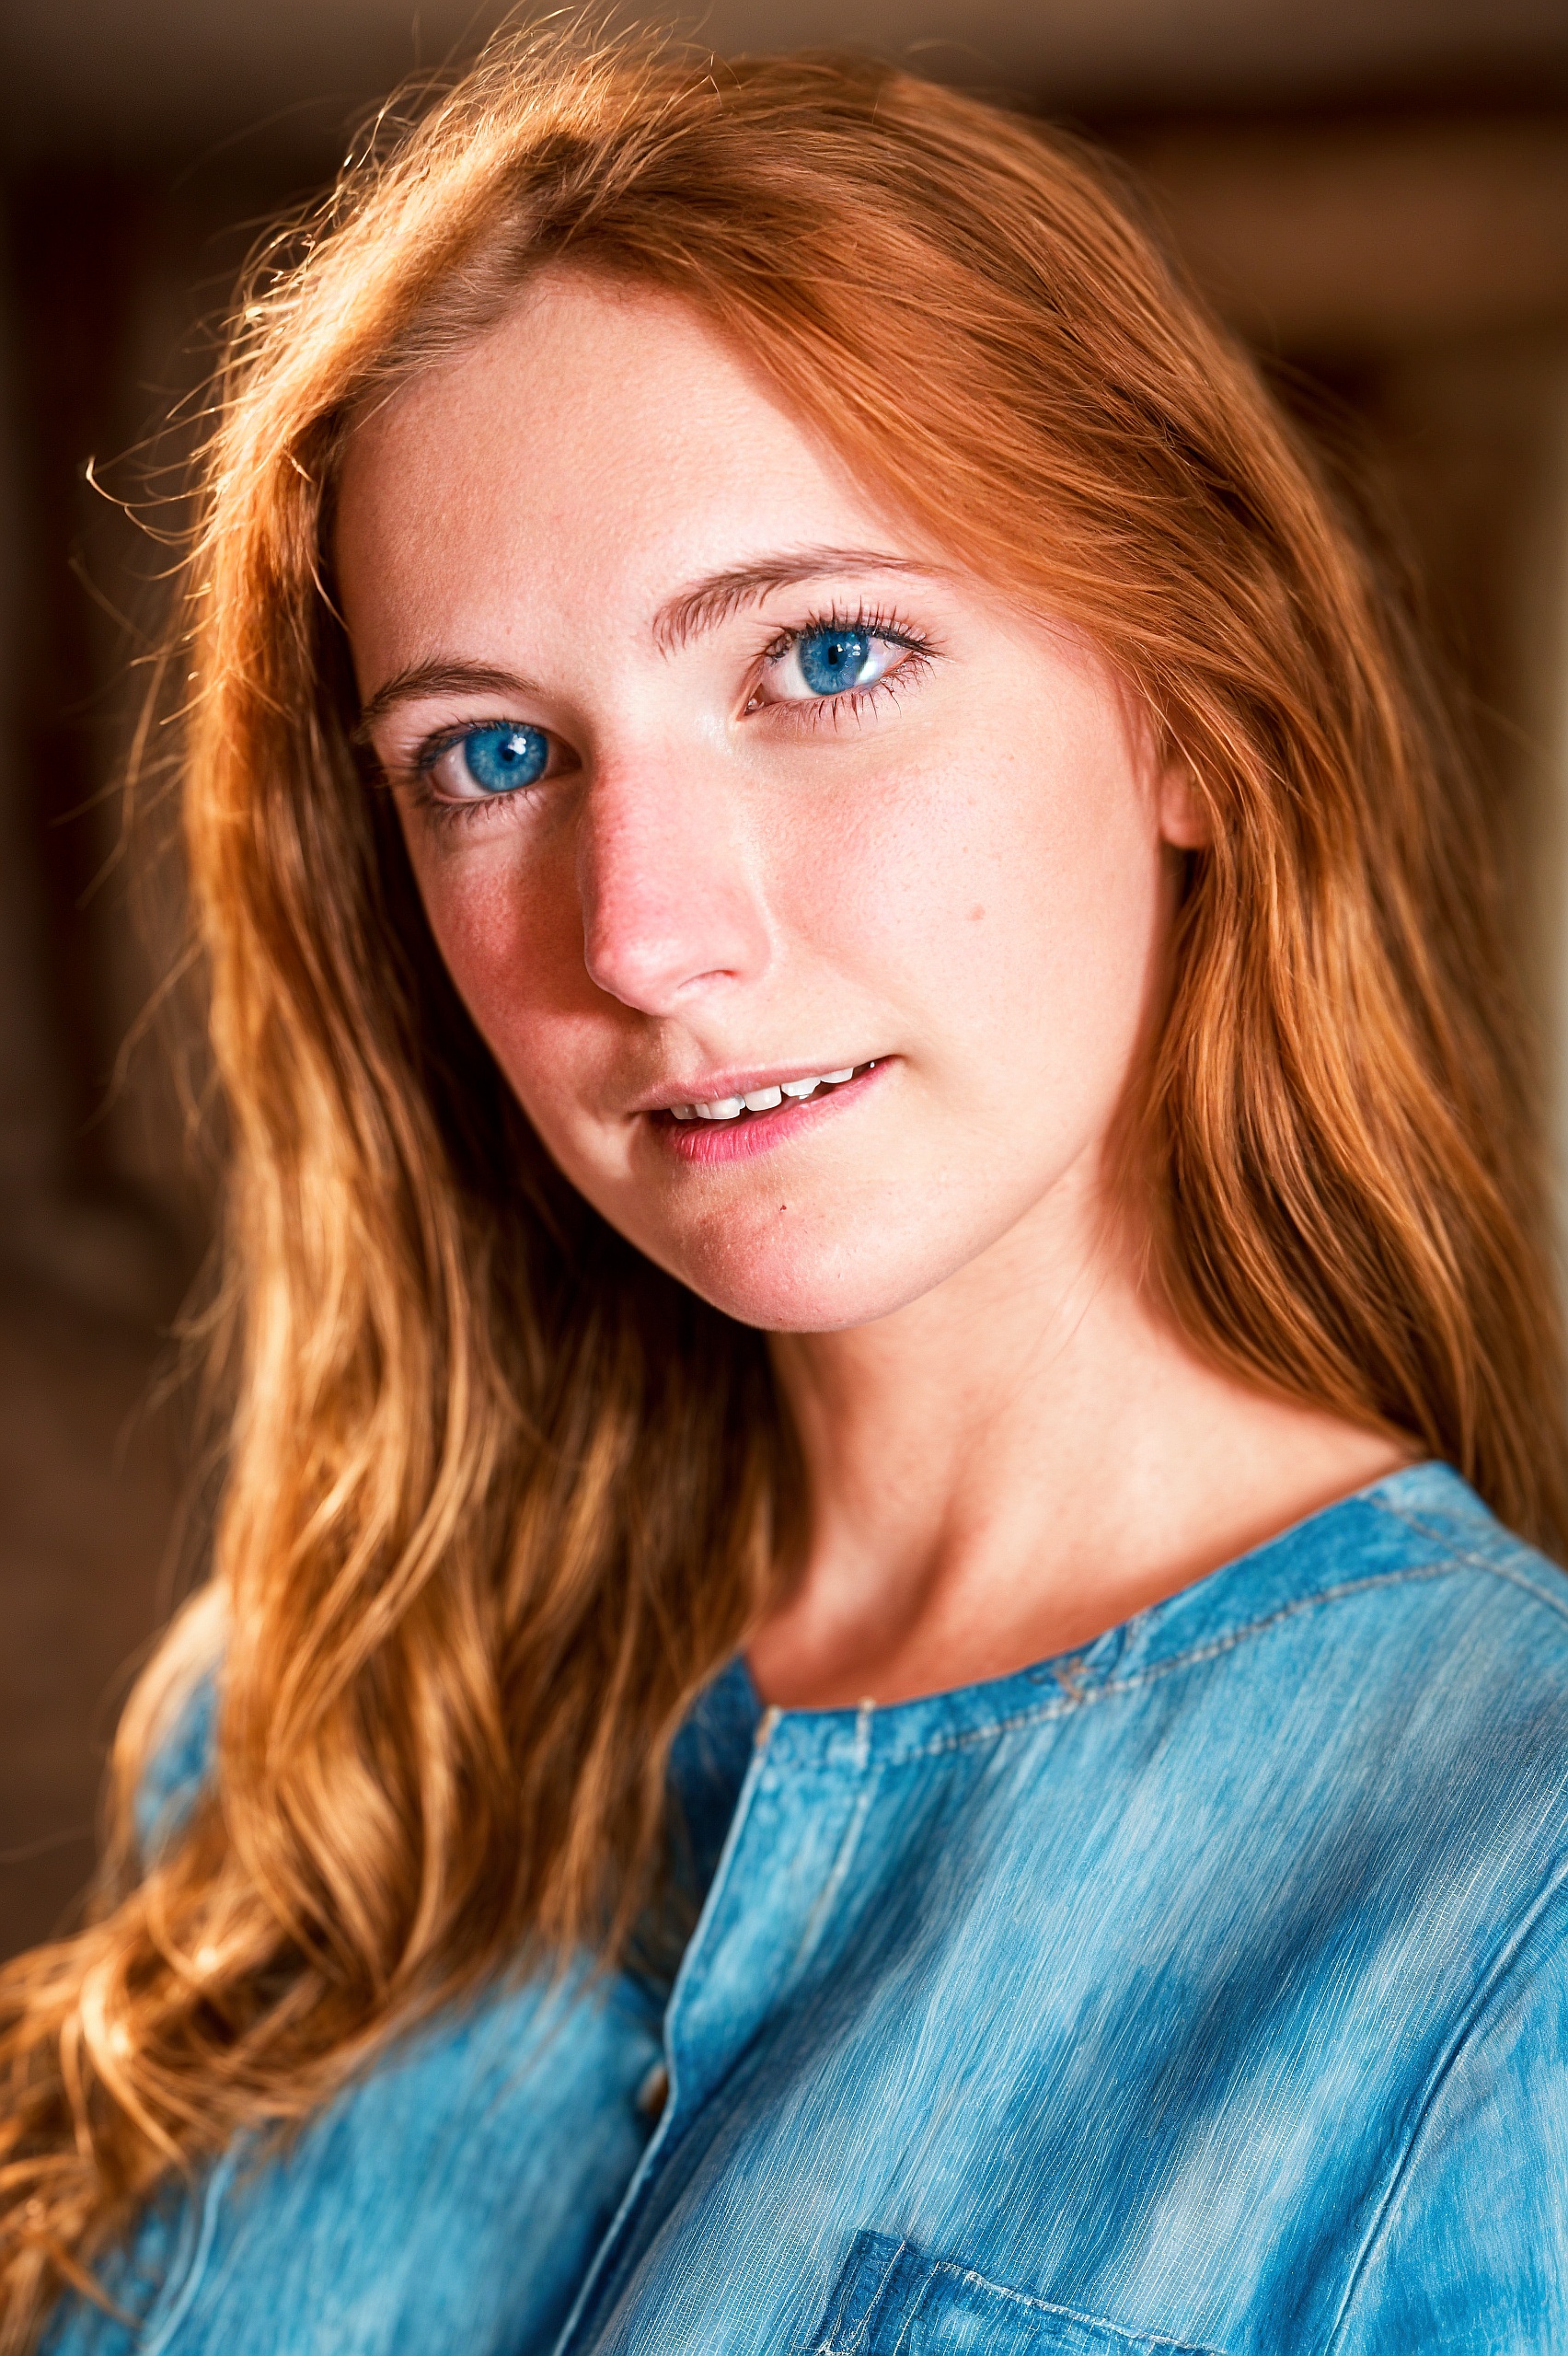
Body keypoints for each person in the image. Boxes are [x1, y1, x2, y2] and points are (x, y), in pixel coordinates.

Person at [5, 27, 1568, 2354]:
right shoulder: (333, 1728)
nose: (638, 934)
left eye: (824, 658)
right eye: (495, 756)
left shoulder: (1512, 1879)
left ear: (1197, 715)